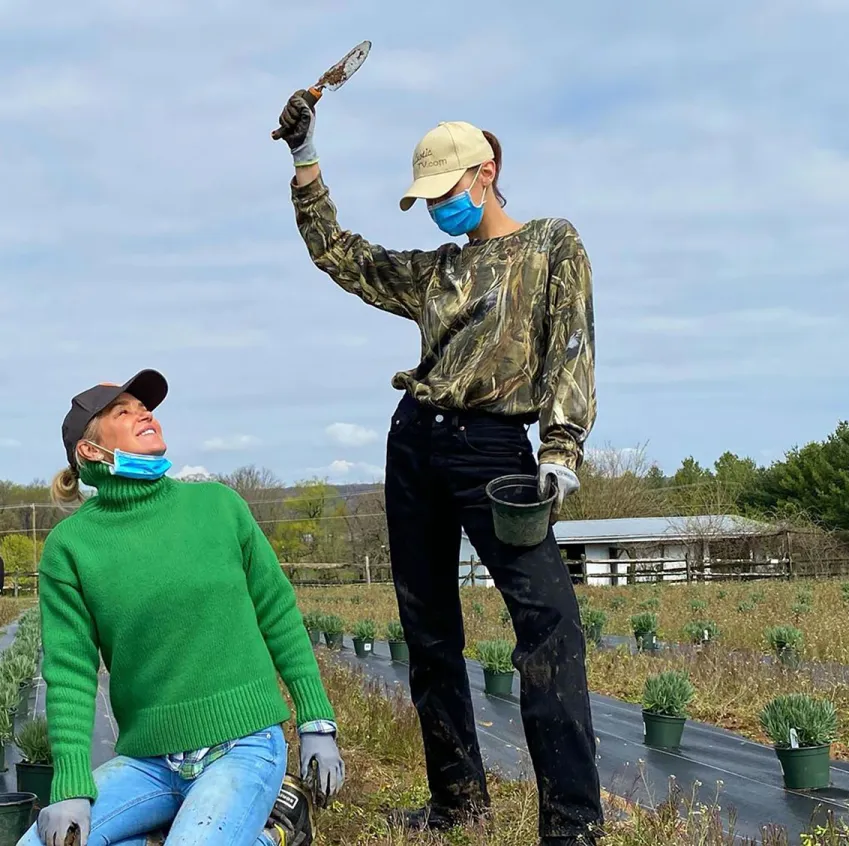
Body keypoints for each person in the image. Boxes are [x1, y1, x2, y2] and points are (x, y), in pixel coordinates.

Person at [273, 93, 603, 845]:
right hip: (415, 442)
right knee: (427, 634)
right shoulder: (433, 274)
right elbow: (342, 255)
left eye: (446, 195)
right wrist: (304, 159)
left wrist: (560, 448)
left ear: (486, 174)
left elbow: (572, 348)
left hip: (495, 455)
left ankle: (572, 825)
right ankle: (458, 802)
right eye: (426, 202)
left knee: (549, 628)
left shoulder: (552, 245)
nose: (435, 212)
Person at [21, 369, 343, 846]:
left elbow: (277, 612)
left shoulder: (218, 506)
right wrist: (70, 785)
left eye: (144, 407)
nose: (144, 414)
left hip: (245, 745)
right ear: (90, 450)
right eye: (122, 412)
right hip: (148, 763)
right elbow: (69, 672)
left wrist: (317, 721)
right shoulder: (70, 547)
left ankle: (271, 832)